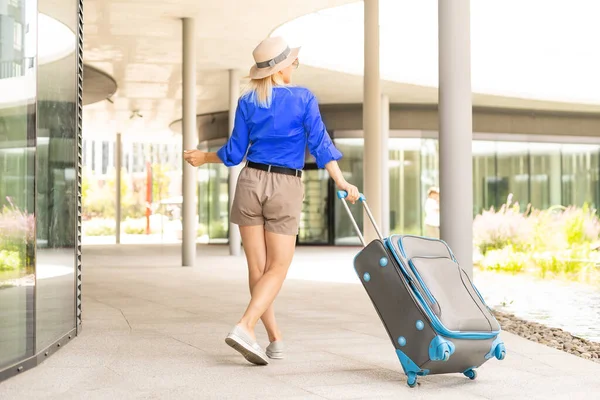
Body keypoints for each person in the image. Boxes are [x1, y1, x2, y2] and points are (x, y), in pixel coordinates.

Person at [183, 37, 360, 366]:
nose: (295, 66)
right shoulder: (303, 98)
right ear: (281, 67)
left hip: (249, 181)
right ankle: (245, 326)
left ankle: (275, 339)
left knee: (258, 269)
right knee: (277, 268)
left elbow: (235, 153)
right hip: (284, 185)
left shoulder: (248, 101)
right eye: (293, 62)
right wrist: (341, 181)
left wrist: (202, 157)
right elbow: (321, 145)